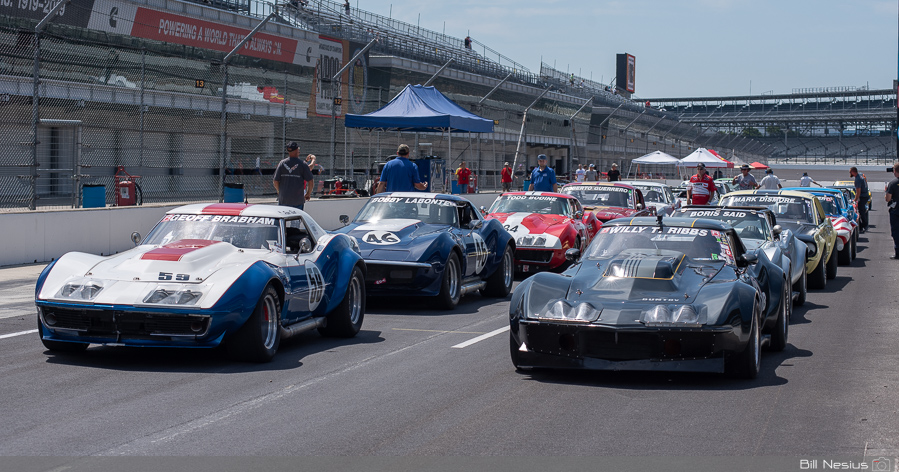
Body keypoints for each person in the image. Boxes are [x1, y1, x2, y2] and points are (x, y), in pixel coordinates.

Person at [273, 142, 314, 210]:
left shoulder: (282, 163)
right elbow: (311, 181)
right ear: (296, 150)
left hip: (283, 199)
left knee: (283, 219)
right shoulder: (302, 164)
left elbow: (275, 180)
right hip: (297, 201)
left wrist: (279, 191)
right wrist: (308, 193)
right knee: (296, 219)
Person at [885, 162, 899, 259]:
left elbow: (888, 199)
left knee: (896, 232)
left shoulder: (893, 183)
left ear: (895, 171)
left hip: (896, 211)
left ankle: (898, 253)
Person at [851, 166, 870, 233]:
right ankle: (864, 225)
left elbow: (858, 191)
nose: (850, 174)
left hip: (863, 196)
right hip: (866, 195)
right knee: (862, 210)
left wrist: (855, 200)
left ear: (853, 172)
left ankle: (864, 225)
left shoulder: (858, 179)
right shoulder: (861, 175)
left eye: (850, 172)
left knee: (861, 211)